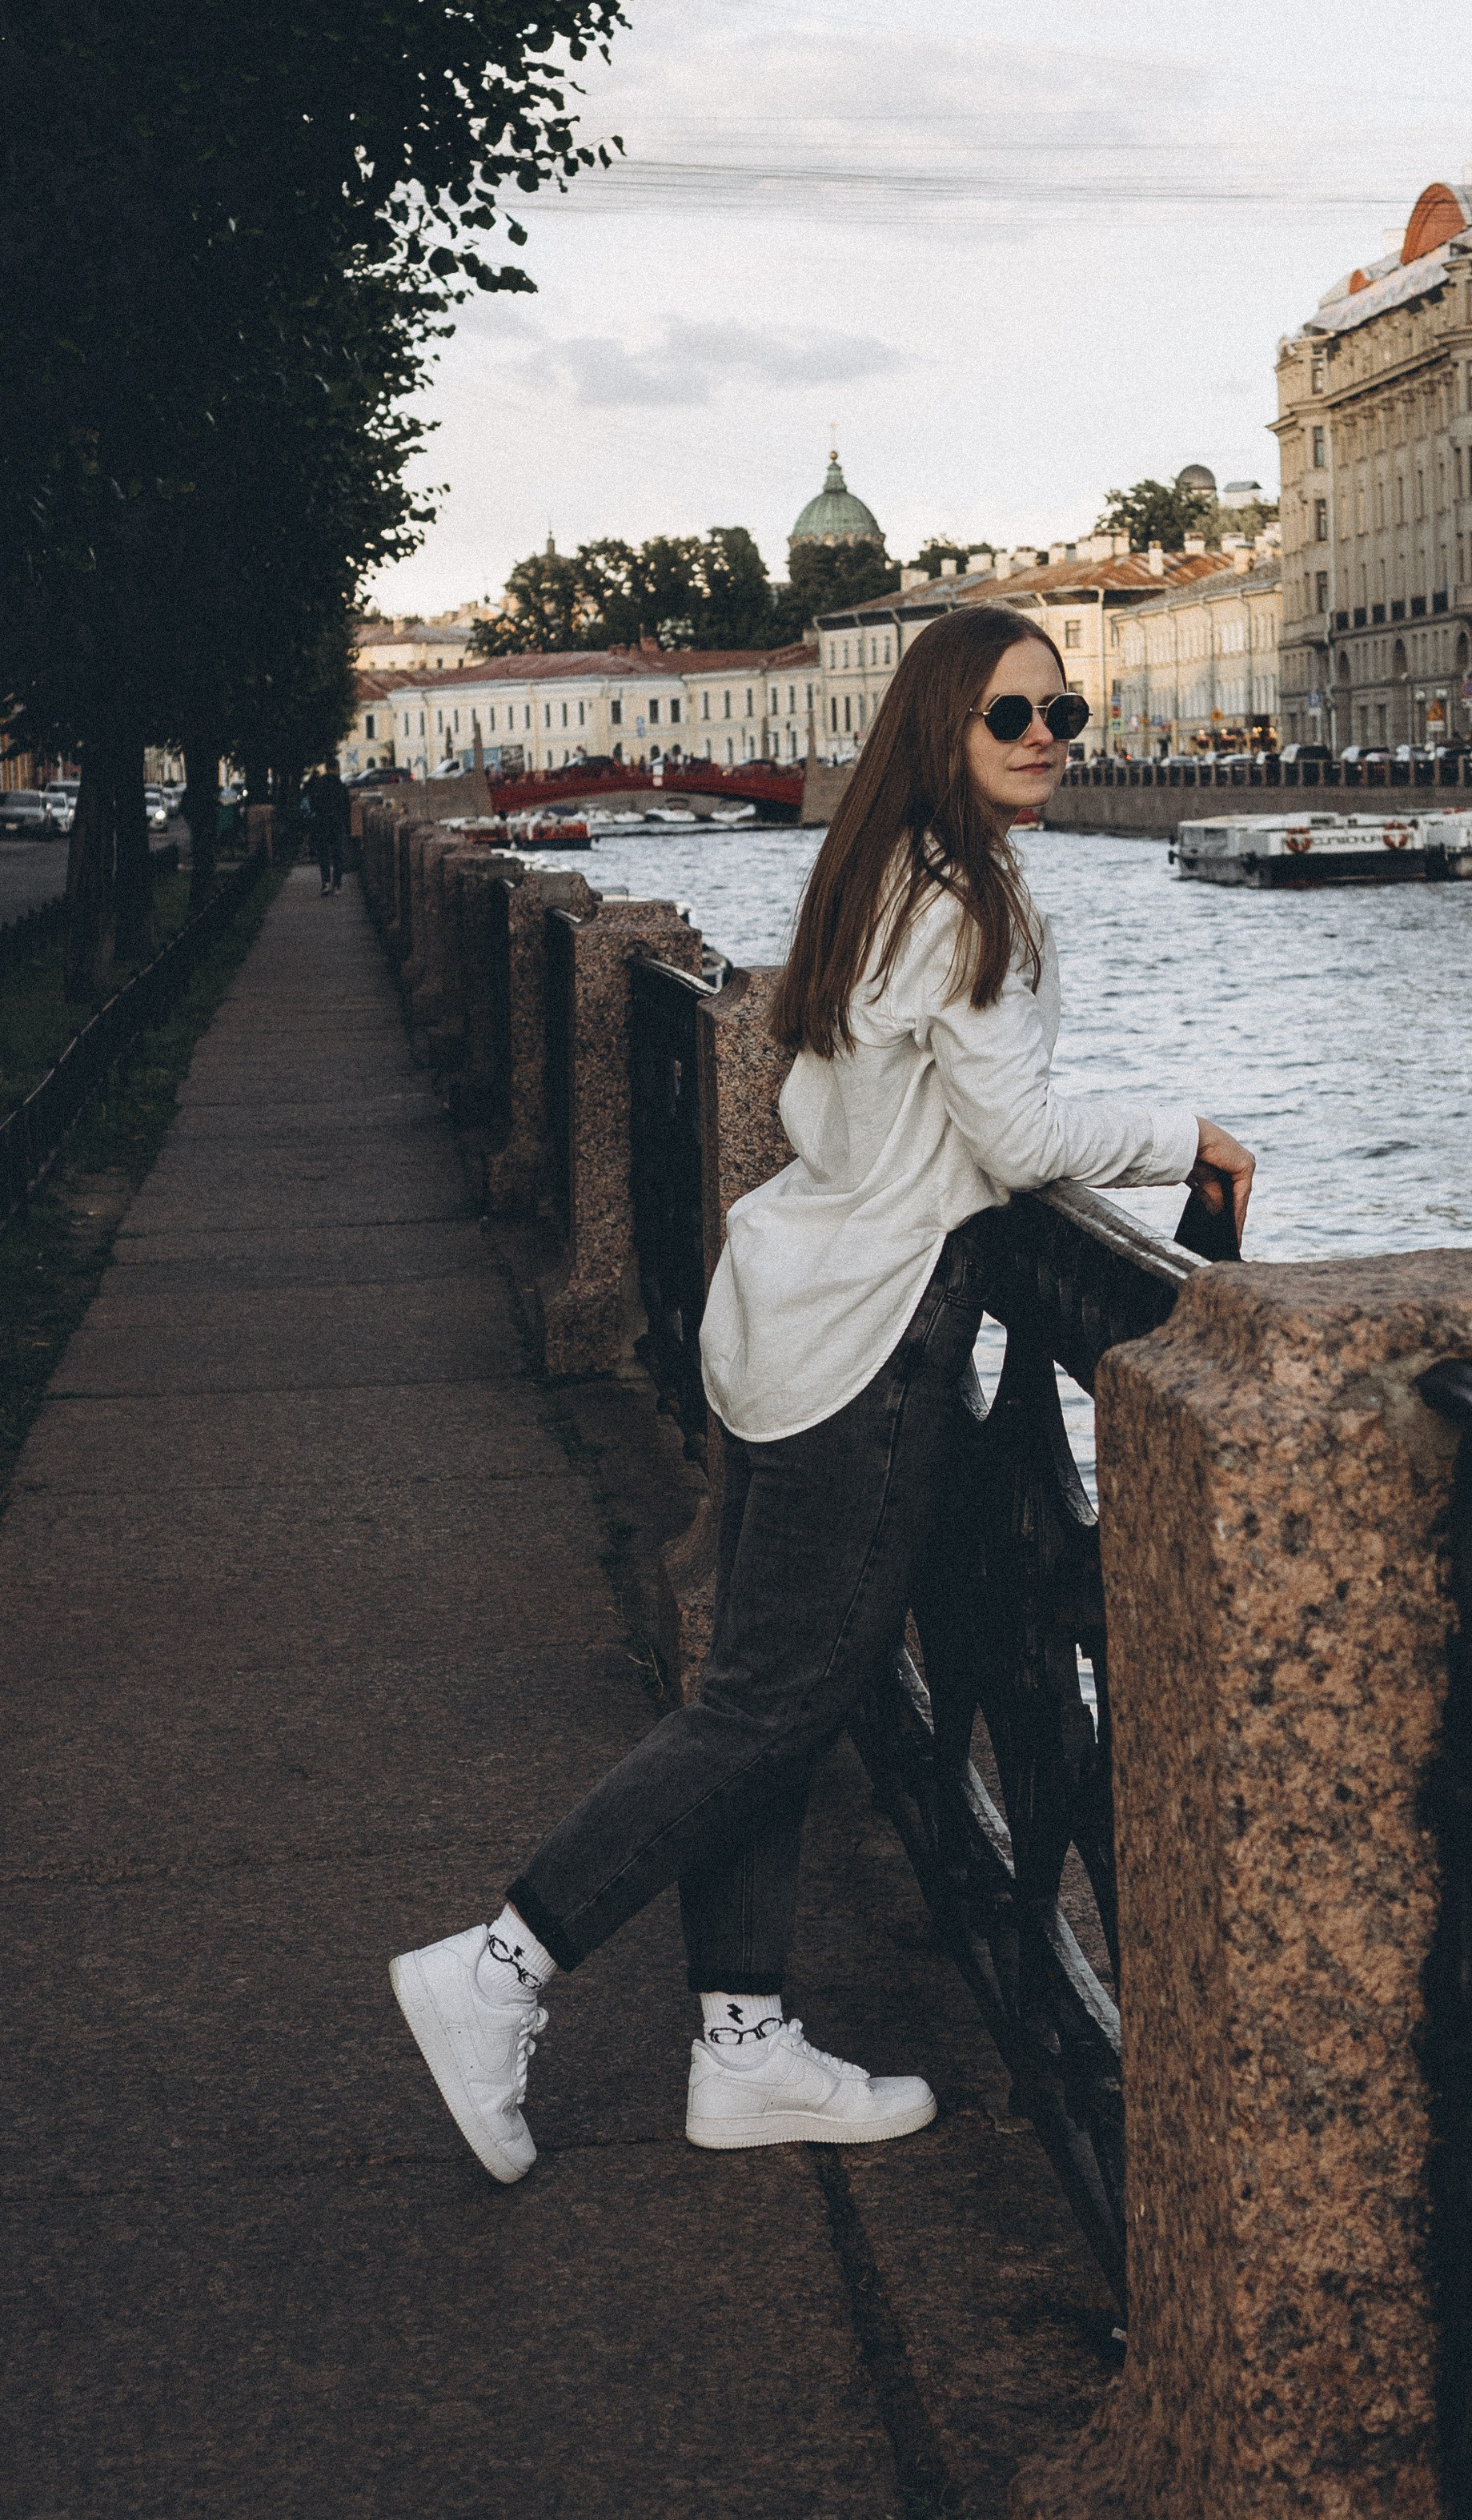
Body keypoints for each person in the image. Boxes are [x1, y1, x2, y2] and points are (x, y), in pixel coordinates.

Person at [389, 604, 1254, 2181]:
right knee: (773, 1708)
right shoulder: (966, 902)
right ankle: (500, 1966)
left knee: (765, 1702)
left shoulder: (877, 879)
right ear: (941, 728)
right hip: (867, 1344)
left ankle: (743, 2045)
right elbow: (1015, 1140)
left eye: (1063, 715)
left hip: (784, 1313)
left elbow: (818, 1103)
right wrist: (1185, 1137)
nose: (1046, 741)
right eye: (1012, 717)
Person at [305, 762, 351, 896]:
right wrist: (346, 825)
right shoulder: (341, 786)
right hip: (337, 823)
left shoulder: (318, 785)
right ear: (336, 769)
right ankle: (337, 885)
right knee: (338, 855)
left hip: (322, 823)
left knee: (323, 854)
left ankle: (326, 883)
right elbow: (347, 808)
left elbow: (312, 804)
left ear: (326, 769)